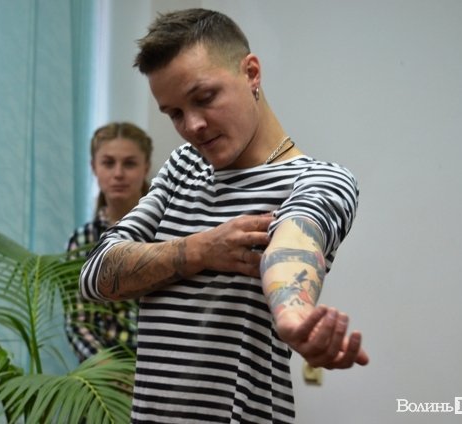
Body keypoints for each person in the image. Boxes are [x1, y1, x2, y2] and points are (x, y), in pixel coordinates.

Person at [80, 8, 369, 423]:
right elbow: (95, 274)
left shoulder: (318, 180)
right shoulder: (183, 166)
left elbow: (292, 245)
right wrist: (200, 250)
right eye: (175, 113)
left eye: (204, 98)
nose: (193, 126)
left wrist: (293, 314)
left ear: (251, 73)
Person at [66, 121, 153, 362]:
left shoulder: (168, 232)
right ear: (94, 167)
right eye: (108, 163)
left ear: (146, 167)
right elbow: (78, 323)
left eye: (129, 163)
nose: (118, 174)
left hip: (160, 366)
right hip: (103, 374)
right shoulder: (82, 240)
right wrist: (109, 371)